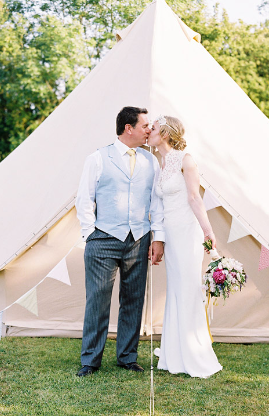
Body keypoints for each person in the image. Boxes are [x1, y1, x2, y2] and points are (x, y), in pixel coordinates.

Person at [75, 106, 165, 377]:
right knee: (98, 301)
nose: (149, 130)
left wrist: (158, 238)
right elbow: (83, 199)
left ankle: (127, 357)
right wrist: (90, 234)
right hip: (103, 239)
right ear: (129, 128)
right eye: (145, 125)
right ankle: (90, 360)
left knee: (134, 300)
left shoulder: (152, 161)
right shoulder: (98, 158)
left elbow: (157, 203)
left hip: (139, 238)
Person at [148, 115, 222, 378]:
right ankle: (174, 353)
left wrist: (208, 231)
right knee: (176, 288)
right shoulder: (160, 164)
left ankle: (194, 351)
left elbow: (194, 198)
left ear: (166, 134)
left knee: (188, 288)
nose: (149, 131)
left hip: (187, 232)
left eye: (154, 128)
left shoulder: (186, 160)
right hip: (170, 233)